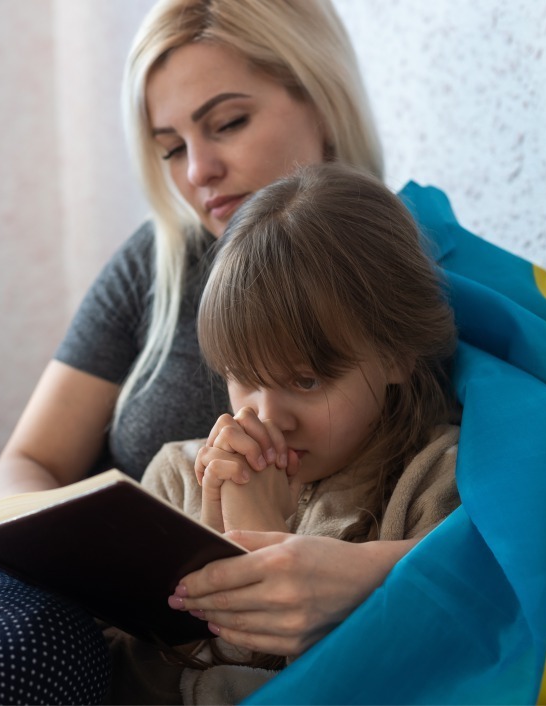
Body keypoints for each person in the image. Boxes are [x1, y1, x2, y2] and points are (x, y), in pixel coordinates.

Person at [0, 0, 546, 704]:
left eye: (228, 123)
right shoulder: (158, 261)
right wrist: (77, 548)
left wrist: (352, 571)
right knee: (7, 643)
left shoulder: (395, 266)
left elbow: (516, 518)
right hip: (62, 592)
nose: (197, 171)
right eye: (170, 146)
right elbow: (27, 464)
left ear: (321, 99)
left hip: (187, 645)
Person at [104, 162, 461, 705]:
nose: (269, 417)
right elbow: (125, 671)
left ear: (396, 354)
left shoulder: (434, 483)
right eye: (244, 378)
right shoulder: (177, 477)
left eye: (307, 379)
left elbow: (406, 677)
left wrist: (259, 533)